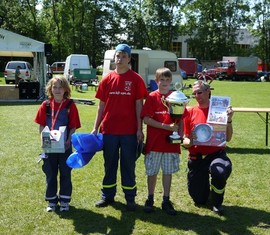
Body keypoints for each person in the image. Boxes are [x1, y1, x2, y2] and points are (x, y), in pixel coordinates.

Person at [92, 43, 148, 211]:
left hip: (129, 131)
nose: (120, 59)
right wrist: (96, 127)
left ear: (129, 59)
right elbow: (101, 106)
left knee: (128, 165)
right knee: (109, 164)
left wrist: (140, 129)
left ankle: (130, 198)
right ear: (114, 58)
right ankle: (107, 196)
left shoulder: (136, 79)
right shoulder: (107, 79)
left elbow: (140, 106)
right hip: (109, 130)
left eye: (124, 56)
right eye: (118, 55)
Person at [182, 80, 234, 215]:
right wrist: (191, 140)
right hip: (196, 157)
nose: (197, 96)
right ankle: (205, 188)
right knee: (199, 200)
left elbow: (227, 138)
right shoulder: (189, 111)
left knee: (220, 171)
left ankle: (217, 202)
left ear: (208, 91)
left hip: (216, 154)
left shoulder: (220, 109)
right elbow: (185, 141)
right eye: (194, 94)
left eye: (199, 92)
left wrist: (228, 120)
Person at [141, 68, 184, 215]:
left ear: (171, 81)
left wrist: (180, 135)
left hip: (170, 144)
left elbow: (181, 118)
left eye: (167, 80)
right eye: (161, 80)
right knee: (152, 172)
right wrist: (166, 127)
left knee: (168, 172)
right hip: (154, 143)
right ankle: (150, 198)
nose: (164, 83)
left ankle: (166, 199)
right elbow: (146, 119)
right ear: (156, 81)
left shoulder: (176, 97)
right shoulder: (152, 97)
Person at [34, 75, 81, 212]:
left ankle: (65, 201)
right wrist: (43, 140)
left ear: (66, 89)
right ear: (50, 88)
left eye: (60, 87)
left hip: (65, 146)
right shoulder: (46, 105)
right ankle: (52, 201)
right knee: (50, 173)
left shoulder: (70, 106)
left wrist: (68, 141)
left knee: (65, 173)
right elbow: (42, 125)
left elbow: (73, 126)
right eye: (55, 87)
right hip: (49, 147)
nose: (57, 90)